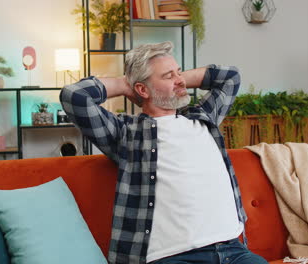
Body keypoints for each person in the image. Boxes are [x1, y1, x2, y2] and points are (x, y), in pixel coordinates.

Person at [60, 41, 267, 264]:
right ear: (141, 89)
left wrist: (175, 79)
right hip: (173, 257)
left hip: (232, 251)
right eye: (168, 76)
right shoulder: (127, 134)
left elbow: (230, 77)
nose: (181, 80)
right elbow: (75, 96)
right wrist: (124, 84)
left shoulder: (203, 117)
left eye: (179, 72)